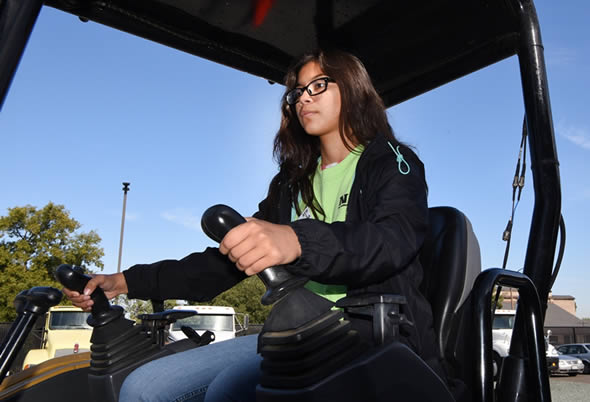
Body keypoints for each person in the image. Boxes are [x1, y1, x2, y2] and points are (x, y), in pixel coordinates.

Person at [64, 49, 446, 401]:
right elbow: (220, 265)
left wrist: (298, 241)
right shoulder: (290, 183)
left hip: (369, 332)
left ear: (353, 88)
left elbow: (391, 240)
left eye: (318, 86)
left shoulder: (393, 161)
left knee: (227, 393)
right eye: (297, 92)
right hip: (295, 329)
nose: (303, 99)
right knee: (143, 387)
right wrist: (124, 282)